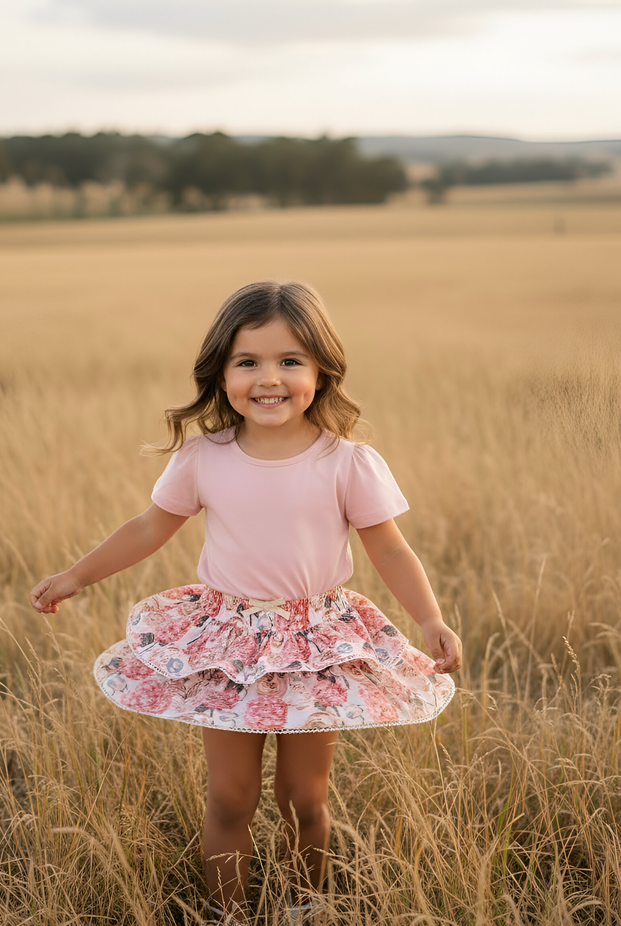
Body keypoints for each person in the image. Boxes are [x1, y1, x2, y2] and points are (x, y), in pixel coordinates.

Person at [30, 280, 462, 925]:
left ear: (322, 370)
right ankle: (227, 915)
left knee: (303, 798)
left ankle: (303, 908)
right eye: (248, 361)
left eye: (290, 361)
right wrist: (75, 574)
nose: (270, 378)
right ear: (221, 372)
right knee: (230, 798)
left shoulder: (348, 462)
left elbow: (391, 551)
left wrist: (429, 617)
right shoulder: (205, 456)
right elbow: (150, 527)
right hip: (227, 642)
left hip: (316, 641)